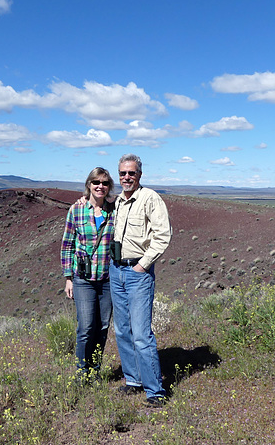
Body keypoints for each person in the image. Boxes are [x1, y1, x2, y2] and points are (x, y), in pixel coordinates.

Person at [110, 153, 172, 407]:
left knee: (141, 334)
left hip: (138, 274)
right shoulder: (118, 202)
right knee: (122, 330)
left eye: (131, 173)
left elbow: (163, 235)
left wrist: (142, 265)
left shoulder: (150, 198)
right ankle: (133, 380)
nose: (126, 177)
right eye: (123, 173)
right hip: (116, 270)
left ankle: (155, 391)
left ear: (139, 175)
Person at [61, 167, 116, 381]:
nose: (100, 186)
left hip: (108, 279)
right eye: (96, 182)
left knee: (102, 327)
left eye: (104, 183)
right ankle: (81, 373)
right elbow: (67, 245)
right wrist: (68, 278)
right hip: (83, 279)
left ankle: (95, 371)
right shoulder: (76, 210)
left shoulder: (114, 210)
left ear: (109, 186)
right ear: (89, 185)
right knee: (86, 327)